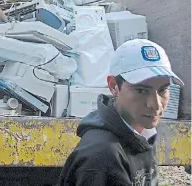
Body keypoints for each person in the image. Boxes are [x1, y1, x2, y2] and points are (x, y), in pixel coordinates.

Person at [57, 39, 184, 186]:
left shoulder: (140, 134)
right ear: (113, 86)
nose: (155, 105)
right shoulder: (101, 159)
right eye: (141, 90)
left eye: (163, 90)